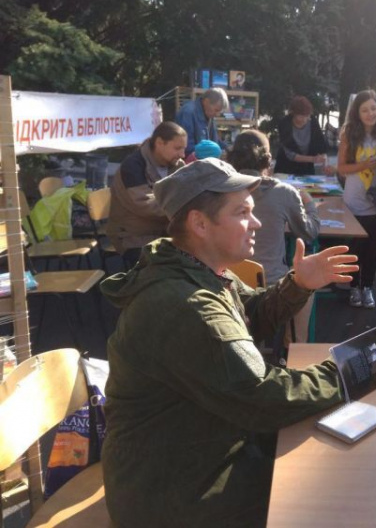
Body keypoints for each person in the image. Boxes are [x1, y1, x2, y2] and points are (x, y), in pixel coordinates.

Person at [101, 158, 358, 528]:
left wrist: (298, 284)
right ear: (200, 223)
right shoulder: (185, 303)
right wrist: (347, 369)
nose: (257, 223)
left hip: (196, 453)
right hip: (173, 495)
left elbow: (249, 316)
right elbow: (265, 398)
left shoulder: (198, 268)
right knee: (326, 498)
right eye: (242, 213)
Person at [227, 129, 320, 343]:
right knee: (307, 284)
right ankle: (295, 347)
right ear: (267, 160)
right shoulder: (283, 192)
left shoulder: (219, 191)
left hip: (227, 278)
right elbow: (309, 231)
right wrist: (310, 204)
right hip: (270, 282)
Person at [337, 90, 376, 309]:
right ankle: (354, 287)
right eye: (364, 110)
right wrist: (365, 165)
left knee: (373, 250)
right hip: (354, 201)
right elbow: (342, 168)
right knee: (354, 249)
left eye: (373, 108)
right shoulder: (349, 134)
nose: (370, 113)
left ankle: (367, 288)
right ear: (357, 113)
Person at [107, 121, 187, 268]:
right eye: (177, 148)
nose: (182, 154)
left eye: (183, 148)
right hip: (133, 237)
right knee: (177, 266)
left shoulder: (177, 164)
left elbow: (190, 191)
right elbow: (145, 204)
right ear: (159, 143)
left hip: (164, 233)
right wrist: (185, 209)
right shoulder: (132, 166)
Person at [274, 95, 328, 176]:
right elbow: (290, 154)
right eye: (301, 116)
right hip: (286, 168)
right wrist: (313, 159)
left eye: (307, 116)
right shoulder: (284, 124)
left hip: (307, 170)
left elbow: (321, 145)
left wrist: (324, 162)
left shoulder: (313, 122)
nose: (304, 119)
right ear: (293, 114)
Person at [175, 87, 229, 155]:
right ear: (206, 101)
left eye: (219, 112)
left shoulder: (209, 114)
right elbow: (186, 147)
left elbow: (214, 141)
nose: (217, 114)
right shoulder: (188, 113)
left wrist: (228, 148)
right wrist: (213, 152)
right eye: (216, 110)